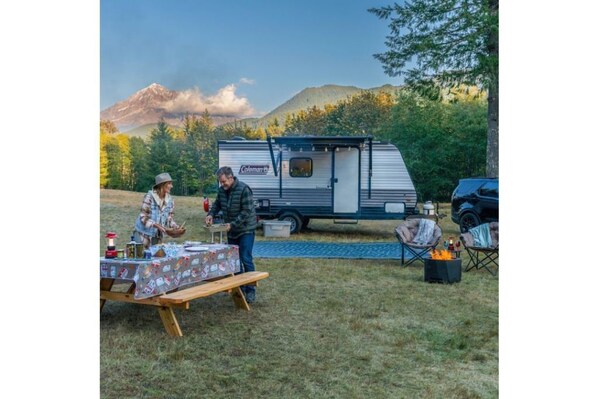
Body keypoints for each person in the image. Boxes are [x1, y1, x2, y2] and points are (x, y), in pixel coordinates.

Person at [205, 166, 258, 303]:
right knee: (235, 261)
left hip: (246, 230)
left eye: (223, 182)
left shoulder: (244, 189)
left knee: (246, 258)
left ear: (230, 177)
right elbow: (217, 204)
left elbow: (246, 212)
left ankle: (251, 290)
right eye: (220, 182)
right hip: (232, 230)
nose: (222, 185)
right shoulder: (222, 190)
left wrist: (232, 224)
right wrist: (210, 214)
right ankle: (239, 289)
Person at [134, 172, 185, 248]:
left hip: (157, 236)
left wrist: (175, 227)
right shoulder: (150, 196)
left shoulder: (170, 200)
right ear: (162, 185)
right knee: (139, 257)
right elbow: (143, 217)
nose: (172, 186)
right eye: (169, 184)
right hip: (142, 233)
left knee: (155, 258)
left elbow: (169, 219)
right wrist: (155, 225)